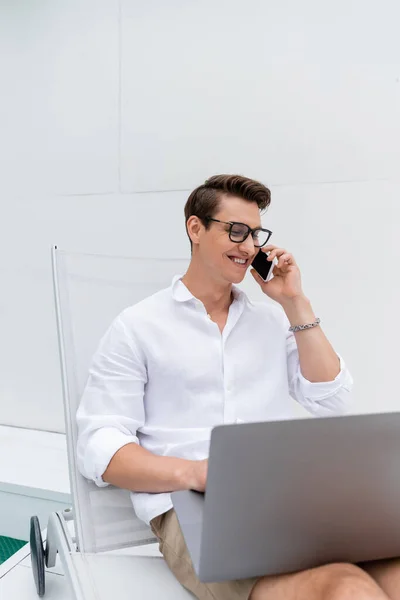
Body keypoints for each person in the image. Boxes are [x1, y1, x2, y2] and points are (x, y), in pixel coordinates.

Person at [76, 175, 400, 600]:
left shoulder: (271, 321)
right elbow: (98, 444)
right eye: (236, 231)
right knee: (344, 588)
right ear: (196, 229)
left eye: (256, 235)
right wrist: (194, 473)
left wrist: (293, 302)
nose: (249, 247)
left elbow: (333, 399)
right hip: (195, 507)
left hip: (289, 496)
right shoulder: (138, 327)